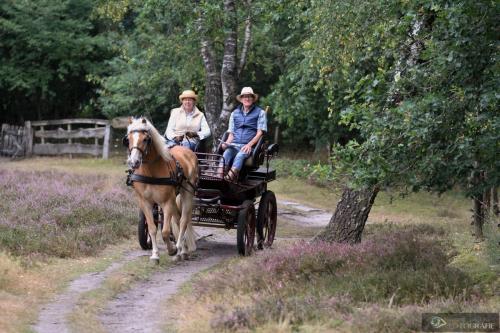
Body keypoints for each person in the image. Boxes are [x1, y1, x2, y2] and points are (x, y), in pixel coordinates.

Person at [220, 87, 267, 182]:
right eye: (245, 97)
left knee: (240, 155)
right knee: (226, 153)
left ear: (253, 99)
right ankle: (218, 176)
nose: (247, 99)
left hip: (249, 146)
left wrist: (249, 145)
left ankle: (229, 178)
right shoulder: (234, 113)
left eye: (249, 96)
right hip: (234, 145)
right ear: (241, 99)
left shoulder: (260, 113)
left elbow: (260, 133)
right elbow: (231, 134)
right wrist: (226, 143)